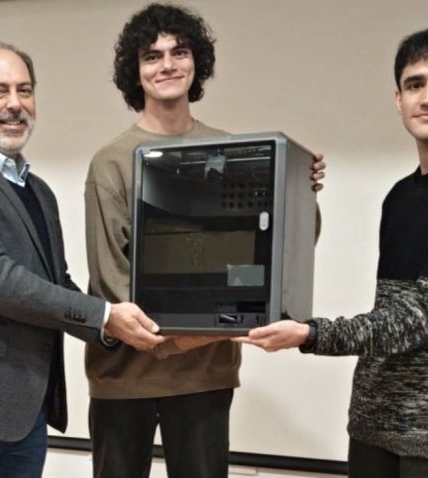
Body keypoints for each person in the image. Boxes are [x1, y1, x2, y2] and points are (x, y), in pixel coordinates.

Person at [239, 28, 428, 478]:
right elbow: (389, 313)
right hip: (375, 429)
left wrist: (309, 334)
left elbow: (417, 321)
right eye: (415, 84)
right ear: (398, 99)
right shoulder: (400, 196)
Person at [82, 4, 325, 477]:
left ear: (197, 62)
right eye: (152, 56)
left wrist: (302, 188)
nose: (167, 65)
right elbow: (112, 281)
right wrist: (195, 334)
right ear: (135, 71)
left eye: (180, 52)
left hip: (204, 376)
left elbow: (278, 251)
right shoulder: (111, 162)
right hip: (124, 380)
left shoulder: (235, 151)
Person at [0, 42, 165, 478]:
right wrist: (104, 315)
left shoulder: (38, 191)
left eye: (24, 91)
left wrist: (117, 328)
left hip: (26, 415)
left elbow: (56, 282)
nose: (15, 104)